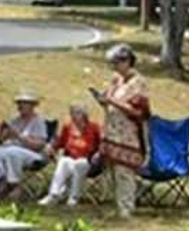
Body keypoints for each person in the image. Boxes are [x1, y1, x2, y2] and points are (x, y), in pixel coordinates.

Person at [96, 43, 150, 218]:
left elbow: (138, 111)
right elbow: (110, 100)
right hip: (112, 131)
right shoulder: (116, 80)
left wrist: (111, 101)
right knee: (113, 169)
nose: (114, 67)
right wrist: (104, 101)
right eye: (112, 63)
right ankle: (118, 205)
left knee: (124, 171)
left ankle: (127, 208)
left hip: (129, 134)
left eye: (117, 63)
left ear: (127, 62)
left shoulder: (138, 83)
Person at [0, 91, 49, 197]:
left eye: (24, 103)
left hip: (33, 155)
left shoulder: (38, 122)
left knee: (13, 151)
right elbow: (0, 141)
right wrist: (1, 134)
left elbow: (40, 145)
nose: (20, 106)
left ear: (32, 106)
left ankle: (14, 185)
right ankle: (2, 180)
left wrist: (19, 136)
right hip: (12, 151)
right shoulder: (15, 121)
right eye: (19, 103)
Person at [41, 103, 103, 207]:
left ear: (84, 114)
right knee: (63, 161)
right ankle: (53, 194)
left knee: (80, 164)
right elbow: (60, 142)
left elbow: (103, 144)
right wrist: (51, 147)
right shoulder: (68, 126)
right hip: (71, 159)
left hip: (89, 162)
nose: (74, 116)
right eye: (72, 113)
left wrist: (99, 154)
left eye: (77, 113)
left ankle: (74, 197)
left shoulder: (94, 127)